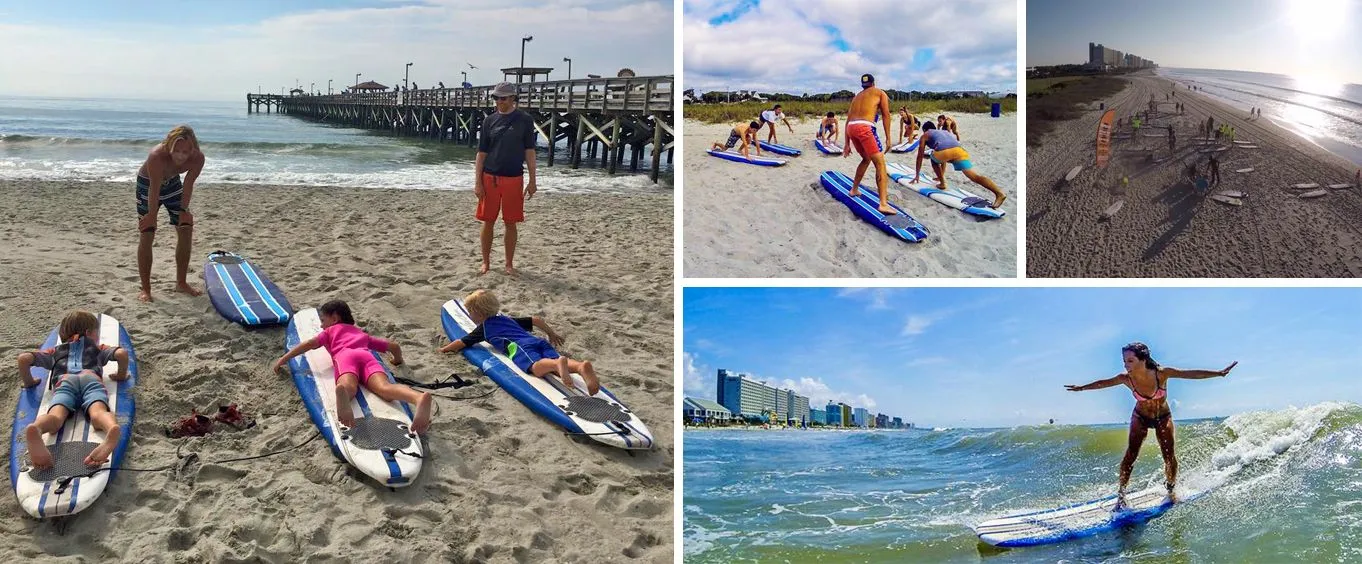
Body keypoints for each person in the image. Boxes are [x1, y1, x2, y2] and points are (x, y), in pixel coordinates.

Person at [1065, 342, 1237, 504]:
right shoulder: (1126, 379)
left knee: (1168, 456)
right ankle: (1121, 496)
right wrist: (1081, 388)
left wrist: (1218, 373)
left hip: (1162, 417)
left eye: (1130, 361)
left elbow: (1190, 374)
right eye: (1124, 361)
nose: (1126, 365)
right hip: (1140, 417)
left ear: (1143, 359)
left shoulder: (1161, 373)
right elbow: (1103, 383)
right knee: (1130, 455)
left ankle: (1170, 490)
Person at [274, 300, 433, 433]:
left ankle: (343, 392)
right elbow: (394, 346)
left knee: (349, 386)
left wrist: (284, 358)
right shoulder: (360, 334)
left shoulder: (329, 332)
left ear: (335, 318)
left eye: (323, 320)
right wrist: (397, 360)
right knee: (385, 388)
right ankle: (418, 398)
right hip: (366, 356)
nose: (322, 326)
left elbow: (309, 344)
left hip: (345, 357)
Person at [17, 311, 128, 469]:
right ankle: (111, 428)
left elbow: (23, 359)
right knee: (98, 413)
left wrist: (29, 382)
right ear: (89, 333)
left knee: (55, 417)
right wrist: (121, 375)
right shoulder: (97, 348)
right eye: (97, 334)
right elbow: (121, 354)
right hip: (91, 379)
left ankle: (37, 428)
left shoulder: (55, 352)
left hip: (65, 381)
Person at [439, 290, 601, 395]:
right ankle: (580, 367)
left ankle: (558, 363)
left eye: (470, 312)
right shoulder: (506, 319)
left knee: (536, 368)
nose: (469, 315)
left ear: (478, 314)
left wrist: (444, 350)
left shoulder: (485, 328)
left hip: (521, 347)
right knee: (549, 361)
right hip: (536, 341)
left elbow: (462, 342)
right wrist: (551, 334)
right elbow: (536, 320)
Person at [474, 82, 537, 276]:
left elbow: (530, 151)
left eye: (502, 98)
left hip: (514, 178)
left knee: (511, 222)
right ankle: (486, 263)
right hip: (490, 177)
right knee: (488, 221)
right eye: (496, 98)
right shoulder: (489, 121)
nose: (498, 102)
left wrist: (533, 180)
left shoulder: (524, 120)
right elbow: (481, 153)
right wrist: (477, 182)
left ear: (512, 99)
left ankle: (509, 264)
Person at [136, 125, 205, 302]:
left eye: (186, 151)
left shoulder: (197, 158)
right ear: (169, 145)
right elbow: (154, 188)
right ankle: (146, 289)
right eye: (177, 151)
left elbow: (188, 184)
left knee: (185, 228)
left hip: (173, 183)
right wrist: (151, 215)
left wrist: (183, 210)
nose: (181, 156)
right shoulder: (157, 156)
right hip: (148, 183)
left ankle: (181, 283)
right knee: (147, 232)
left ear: (193, 149)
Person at [913, 121, 1006, 208]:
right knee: (974, 176)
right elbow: (948, 146)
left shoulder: (925, 135)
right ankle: (999, 193)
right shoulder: (944, 132)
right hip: (959, 151)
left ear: (925, 130)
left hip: (943, 153)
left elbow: (920, 156)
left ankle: (942, 183)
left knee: (933, 159)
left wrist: (917, 175)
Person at [841, 73, 896, 214]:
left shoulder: (856, 97)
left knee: (866, 159)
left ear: (862, 85)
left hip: (851, 128)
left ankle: (854, 190)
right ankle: (883, 204)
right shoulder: (880, 92)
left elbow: (848, 119)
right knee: (880, 164)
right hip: (864, 127)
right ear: (874, 83)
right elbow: (886, 115)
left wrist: (847, 143)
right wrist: (889, 138)